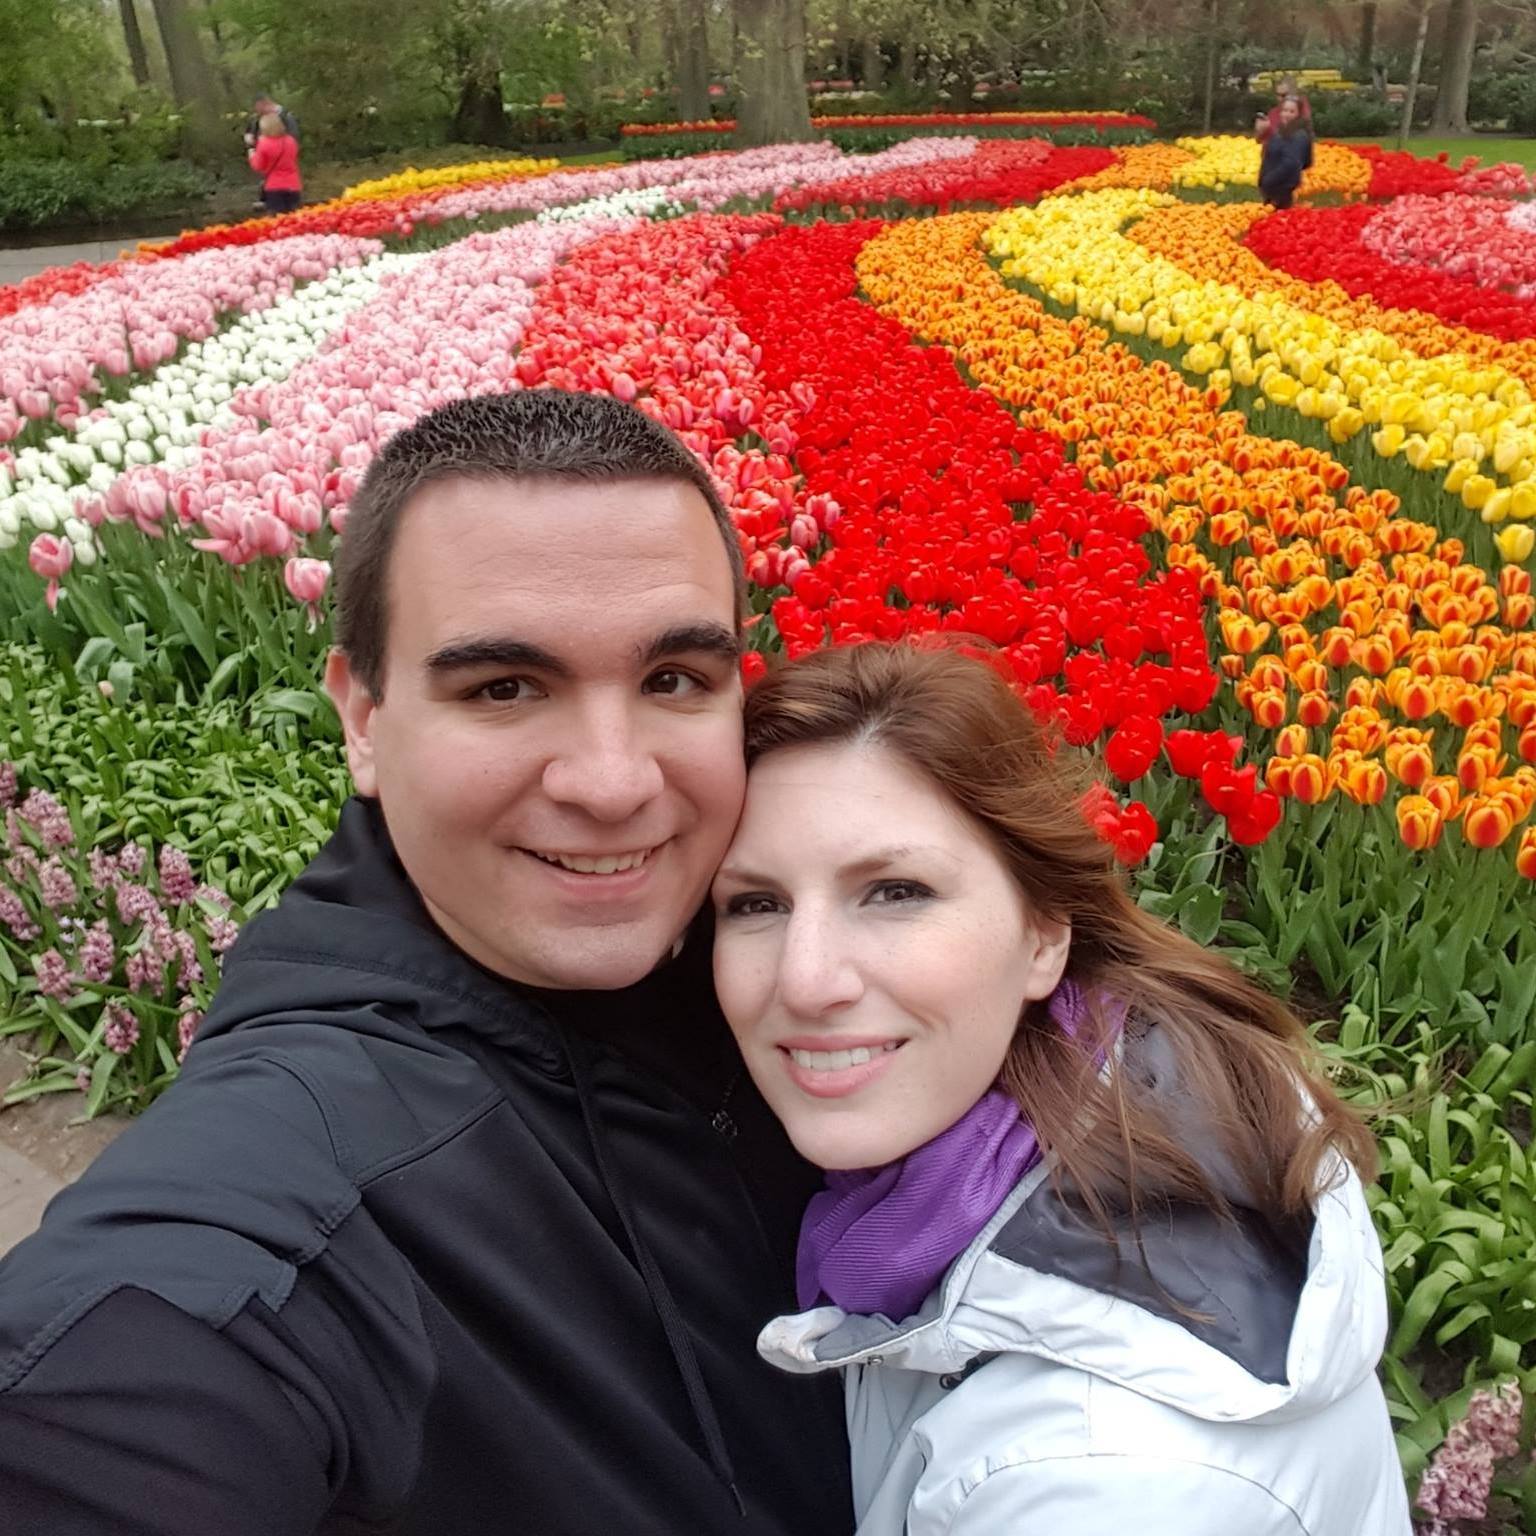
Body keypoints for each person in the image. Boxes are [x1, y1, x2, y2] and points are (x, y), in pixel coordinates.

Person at [0, 391, 854, 1536]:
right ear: (361, 717)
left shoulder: (809, 966)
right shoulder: (297, 1182)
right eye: (504, 688)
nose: (612, 782)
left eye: (673, 681)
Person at [712, 641, 1412, 1536]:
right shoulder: (1145, 1090)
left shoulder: (1093, 1486)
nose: (805, 981)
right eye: (756, 904)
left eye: (894, 891)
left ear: (1045, 935)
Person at [1257, 94, 1314, 210]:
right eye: (1284, 110)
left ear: (1298, 114)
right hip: (1273, 187)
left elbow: (1292, 163)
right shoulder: (1282, 131)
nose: (1286, 114)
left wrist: (1269, 180)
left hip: (1282, 188)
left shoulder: (1298, 135)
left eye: (1291, 111)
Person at [249, 110, 303, 214]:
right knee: (294, 219)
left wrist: (251, 154)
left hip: (274, 186)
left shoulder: (264, 143)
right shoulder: (291, 141)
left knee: (278, 220)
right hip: (293, 184)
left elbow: (258, 166)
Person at [1254, 74, 1312, 142]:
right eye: (1277, 95)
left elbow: (1300, 133)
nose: (1279, 99)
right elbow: (1260, 141)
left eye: (1284, 95)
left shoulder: (1301, 108)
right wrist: (1261, 130)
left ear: (1294, 93)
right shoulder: (1273, 112)